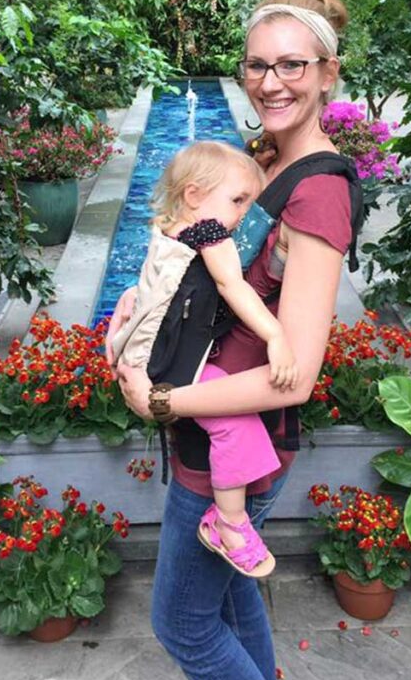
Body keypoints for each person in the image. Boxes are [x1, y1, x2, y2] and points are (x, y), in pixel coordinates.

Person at [107, 0, 352, 680]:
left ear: (328, 73)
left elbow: (295, 372)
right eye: (257, 65)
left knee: (181, 623)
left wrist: (161, 401)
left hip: (235, 434)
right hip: (211, 424)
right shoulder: (265, 160)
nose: (270, 82)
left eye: (293, 66)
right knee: (232, 593)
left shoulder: (317, 192)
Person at [110, 140, 299, 578]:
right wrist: (275, 335)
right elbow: (233, 286)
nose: (243, 214)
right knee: (235, 425)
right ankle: (229, 522)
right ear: (194, 196)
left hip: (157, 354)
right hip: (176, 363)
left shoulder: (170, 229)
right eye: (238, 201)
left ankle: (232, 515)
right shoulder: (208, 233)